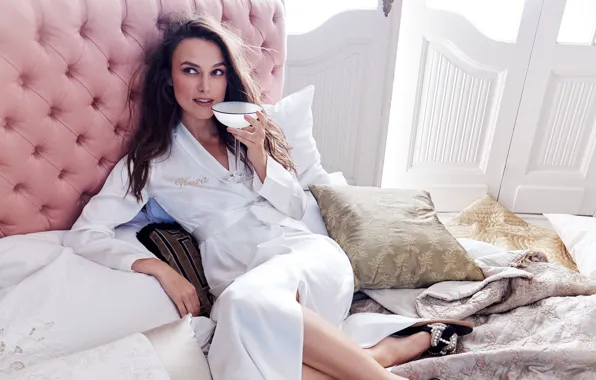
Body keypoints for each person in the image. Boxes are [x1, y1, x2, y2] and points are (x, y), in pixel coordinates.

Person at [63, 13, 471, 380]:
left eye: (217, 72)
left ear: (228, 78)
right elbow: (86, 233)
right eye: (191, 71)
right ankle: (383, 356)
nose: (205, 86)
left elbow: (296, 207)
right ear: (170, 79)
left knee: (243, 310)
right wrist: (159, 269)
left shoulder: (249, 132)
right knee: (240, 341)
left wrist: (260, 155)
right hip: (239, 275)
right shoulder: (152, 159)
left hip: (307, 259)